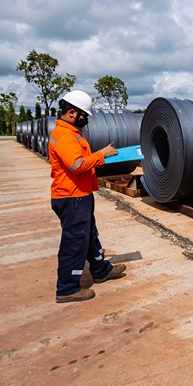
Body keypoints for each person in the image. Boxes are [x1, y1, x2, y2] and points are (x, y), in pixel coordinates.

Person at [48, 89, 126, 303]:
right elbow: (77, 165)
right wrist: (102, 155)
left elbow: (80, 158)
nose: (86, 120)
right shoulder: (64, 135)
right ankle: (67, 289)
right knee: (74, 242)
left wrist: (100, 153)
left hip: (79, 195)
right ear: (72, 113)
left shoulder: (72, 133)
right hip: (71, 197)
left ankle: (101, 270)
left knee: (89, 236)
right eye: (84, 115)